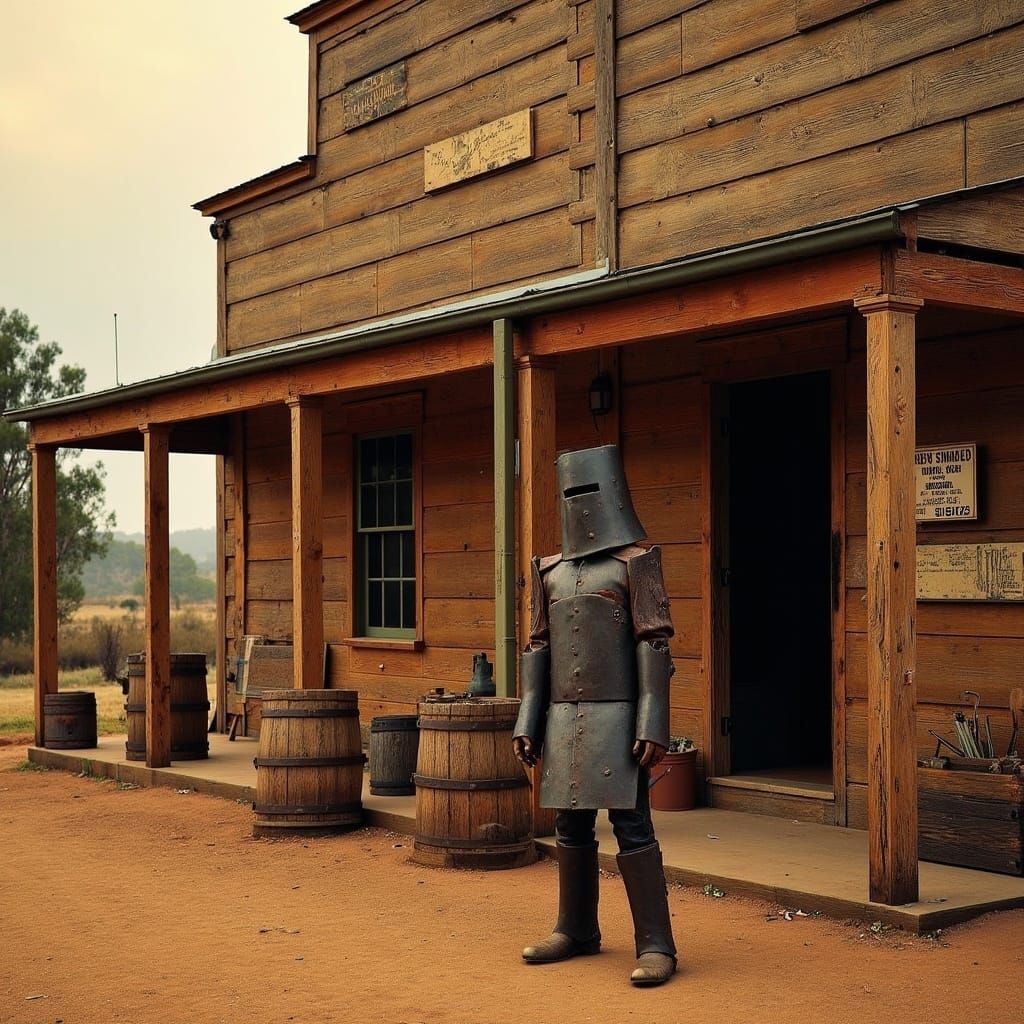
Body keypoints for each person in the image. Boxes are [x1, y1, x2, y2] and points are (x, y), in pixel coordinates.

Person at [512, 444, 677, 987]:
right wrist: (528, 722)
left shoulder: (637, 564)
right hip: (563, 719)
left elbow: (653, 644)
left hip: (618, 719)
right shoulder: (549, 572)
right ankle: (576, 927)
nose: (580, 503)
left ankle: (656, 943)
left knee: (632, 825)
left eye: (587, 490)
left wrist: (652, 723)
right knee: (570, 824)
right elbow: (538, 648)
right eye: (571, 493)